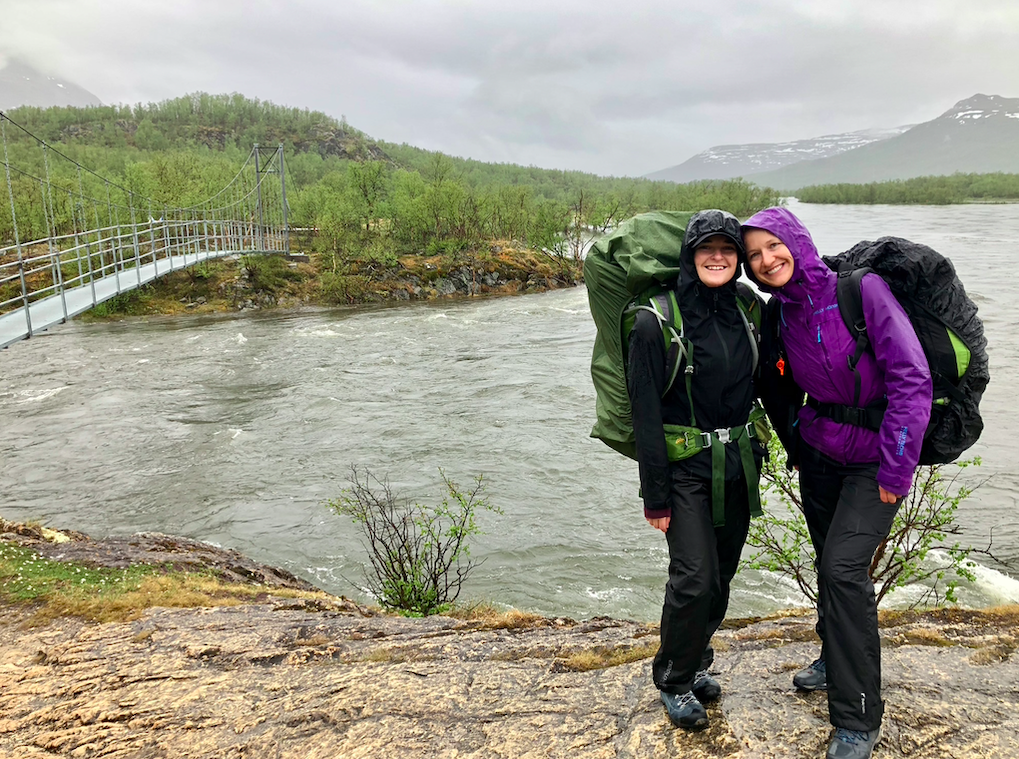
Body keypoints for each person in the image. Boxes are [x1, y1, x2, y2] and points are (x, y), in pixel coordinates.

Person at [742, 207, 932, 759]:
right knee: (829, 557)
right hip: (821, 454)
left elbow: (911, 376)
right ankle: (834, 655)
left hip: (877, 459)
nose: (765, 260)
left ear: (797, 242)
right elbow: (776, 387)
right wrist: (797, 446)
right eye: (754, 255)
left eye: (773, 246)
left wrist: (898, 465)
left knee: (843, 570)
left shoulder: (860, 292)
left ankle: (858, 717)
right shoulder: (780, 314)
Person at [627, 209, 766, 730]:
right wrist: (654, 495)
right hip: (683, 470)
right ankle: (673, 678)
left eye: (727, 249)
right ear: (690, 255)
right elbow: (644, 413)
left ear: (737, 259)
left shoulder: (750, 311)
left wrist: (800, 443)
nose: (717, 256)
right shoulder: (654, 320)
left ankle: (693, 659)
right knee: (694, 575)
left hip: (736, 465)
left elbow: (769, 386)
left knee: (721, 577)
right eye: (706, 248)